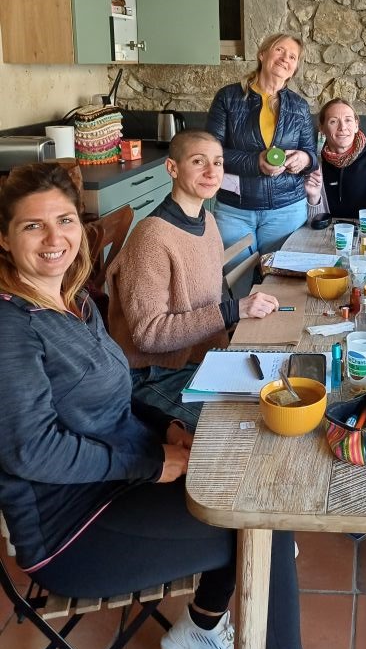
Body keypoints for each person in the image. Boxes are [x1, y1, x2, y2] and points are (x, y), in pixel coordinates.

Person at [0, 163, 366, 649]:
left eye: (64, 220)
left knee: (252, 481)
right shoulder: (12, 329)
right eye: (33, 226)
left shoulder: (73, 298)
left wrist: (167, 427)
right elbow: (32, 452)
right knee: (263, 520)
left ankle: (201, 629)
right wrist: (153, 462)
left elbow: (115, 394)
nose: (54, 238)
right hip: (72, 529)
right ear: (5, 238)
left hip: (119, 484)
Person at [107, 130, 279, 431]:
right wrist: (233, 311)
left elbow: (208, 299)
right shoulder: (151, 238)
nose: (212, 172)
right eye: (198, 162)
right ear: (172, 168)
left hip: (203, 357)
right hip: (153, 374)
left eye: (218, 162)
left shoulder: (207, 220)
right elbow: (148, 335)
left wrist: (234, 320)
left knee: (277, 397)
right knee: (248, 426)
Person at [206, 34, 317, 292]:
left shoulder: (299, 106)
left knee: (280, 289)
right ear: (262, 54)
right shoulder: (228, 98)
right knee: (238, 287)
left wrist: (304, 159)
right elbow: (212, 152)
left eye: (292, 57)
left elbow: (311, 154)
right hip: (235, 211)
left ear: (295, 68)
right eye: (279, 50)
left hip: (286, 211)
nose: (285, 58)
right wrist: (255, 162)